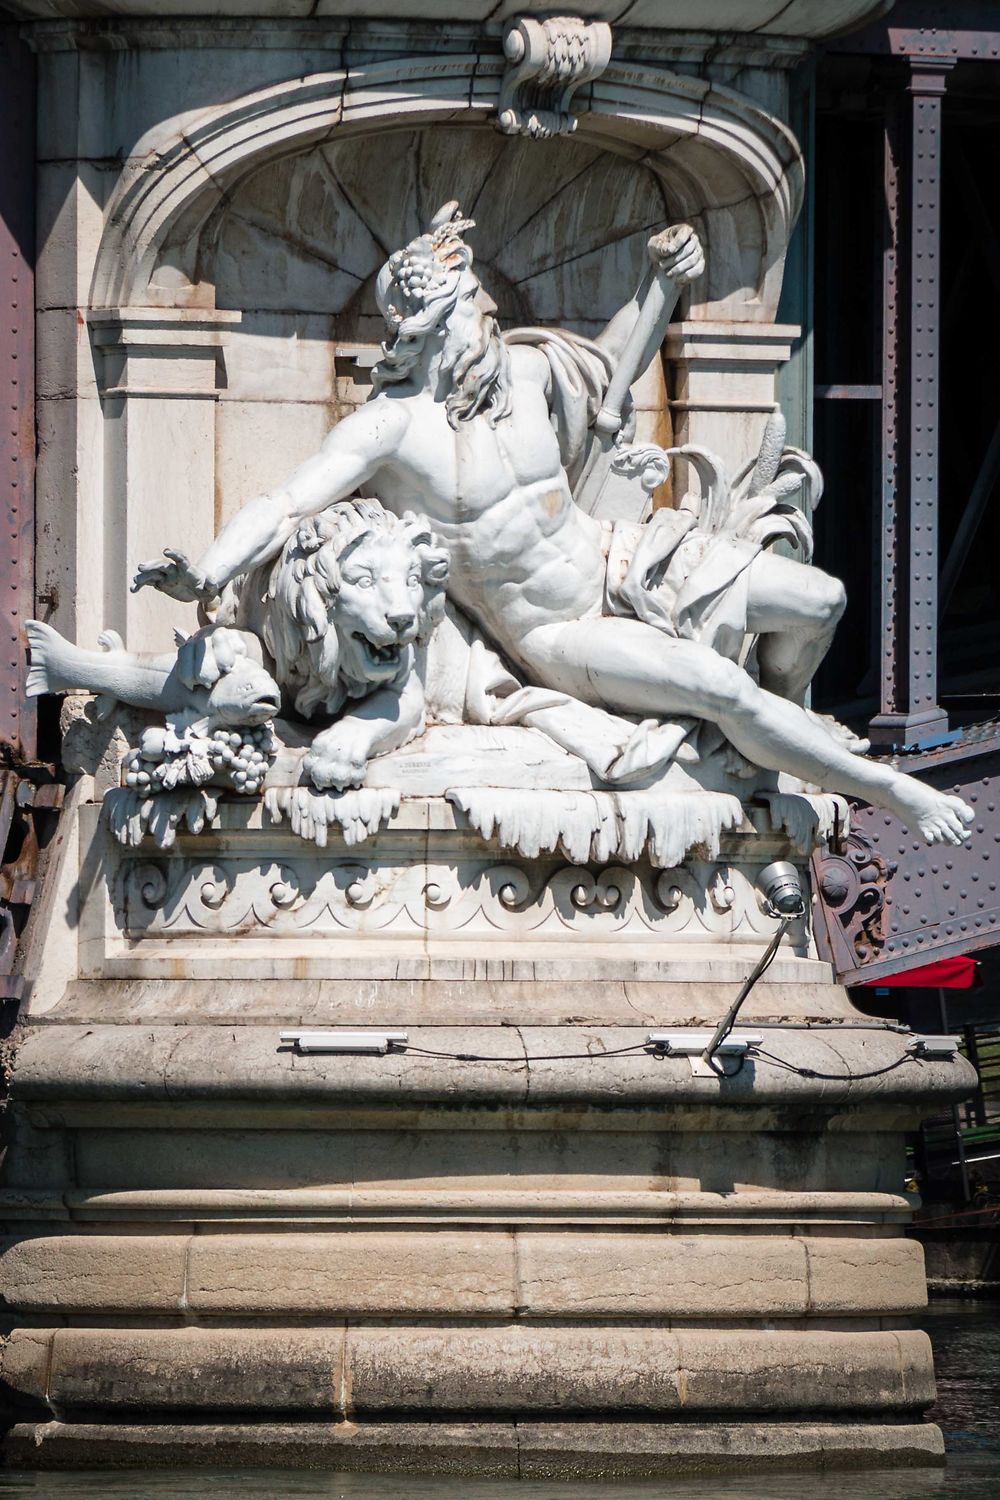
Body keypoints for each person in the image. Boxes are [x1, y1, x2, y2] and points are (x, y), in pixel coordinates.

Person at [134, 205, 972, 845]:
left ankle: (776, 737)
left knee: (820, 599)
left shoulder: (529, 372)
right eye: (464, 314)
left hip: (621, 555)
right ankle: (885, 786)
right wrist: (205, 574)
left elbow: (614, 366)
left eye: (480, 305)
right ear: (420, 334)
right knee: (721, 688)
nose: (483, 322)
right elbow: (286, 502)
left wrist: (661, 280)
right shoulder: (389, 429)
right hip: (560, 633)